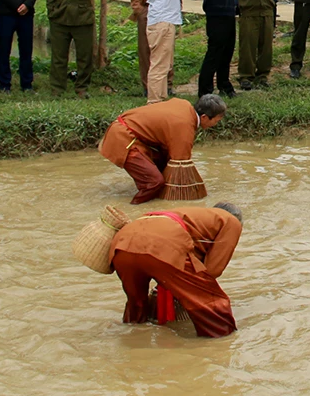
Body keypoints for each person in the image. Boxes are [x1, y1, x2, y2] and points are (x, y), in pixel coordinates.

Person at [109, 202, 244, 338]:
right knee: (212, 302)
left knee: (136, 303)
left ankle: (132, 337)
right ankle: (220, 344)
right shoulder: (231, 221)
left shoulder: (194, 215)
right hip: (160, 244)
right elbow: (213, 270)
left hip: (122, 244)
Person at [98, 94, 227, 204]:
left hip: (130, 132)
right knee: (154, 183)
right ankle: (135, 208)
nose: (215, 125)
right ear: (204, 117)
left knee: (162, 164)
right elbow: (180, 162)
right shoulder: (184, 127)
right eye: (216, 121)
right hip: (123, 138)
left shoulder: (183, 105)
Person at [143, 0, 192, 103]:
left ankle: (161, 99)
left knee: (165, 65)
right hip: (161, 21)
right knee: (159, 65)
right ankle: (154, 101)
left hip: (165, 20)